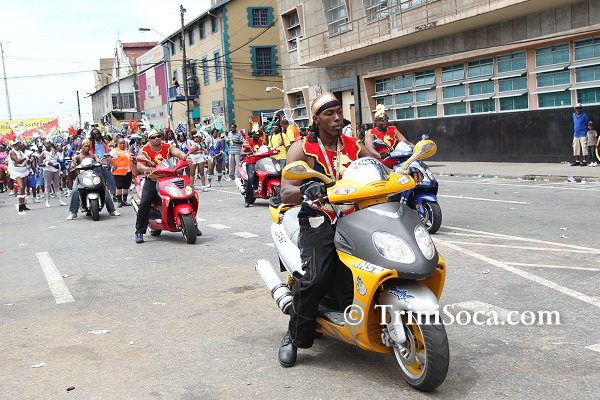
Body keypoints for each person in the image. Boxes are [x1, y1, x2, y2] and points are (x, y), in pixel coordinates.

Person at [277, 92, 421, 368]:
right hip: (319, 218)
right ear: (316, 119)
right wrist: (308, 188)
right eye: (329, 114)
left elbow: (381, 170)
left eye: (339, 112)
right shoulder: (301, 149)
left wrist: (406, 171)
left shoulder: (355, 145)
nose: (337, 118)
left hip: (357, 216)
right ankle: (293, 336)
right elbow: (286, 192)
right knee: (316, 278)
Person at [133, 130, 193, 243]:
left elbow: (179, 153)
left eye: (158, 136)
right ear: (148, 139)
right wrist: (147, 169)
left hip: (170, 178)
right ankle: (139, 231)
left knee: (187, 195)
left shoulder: (168, 147)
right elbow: (140, 165)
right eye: (153, 137)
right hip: (153, 179)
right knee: (145, 201)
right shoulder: (144, 150)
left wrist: (186, 158)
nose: (156, 138)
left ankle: (193, 225)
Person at [66, 139, 120, 220]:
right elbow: (73, 162)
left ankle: (112, 210)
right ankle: (73, 212)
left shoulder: (93, 156)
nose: (87, 148)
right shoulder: (77, 156)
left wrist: (101, 163)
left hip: (93, 175)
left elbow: (98, 160)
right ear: (82, 147)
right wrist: (73, 166)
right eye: (85, 146)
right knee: (75, 191)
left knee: (104, 190)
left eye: (88, 146)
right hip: (82, 177)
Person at [89, 128, 117, 196]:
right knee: (98, 180)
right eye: (94, 134)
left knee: (110, 179)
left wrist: (109, 161)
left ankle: (114, 194)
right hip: (96, 164)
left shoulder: (104, 141)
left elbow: (107, 151)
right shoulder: (91, 143)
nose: (96, 135)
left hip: (105, 163)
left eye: (97, 133)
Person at [39, 141, 66, 207]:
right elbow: (39, 164)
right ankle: (47, 201)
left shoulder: (54, 151)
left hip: (55, 169)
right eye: (46, 144)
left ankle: (60, 200)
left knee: (56, 184)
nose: (47, 145)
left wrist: (56, 165)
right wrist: (47, 163)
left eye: (49, 143)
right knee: (47, 185)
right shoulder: (43, 154)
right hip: (47, 170)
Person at [242, 130, 265, 207]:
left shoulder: (262, 142)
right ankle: (248, 200)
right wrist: (249, 153)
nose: (258, 137)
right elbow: (242, 152)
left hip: (262, 161)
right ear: (253, 135)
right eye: (256, 135)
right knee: (251, 178)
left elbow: (268, 149)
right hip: (251, 162)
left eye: (259, 135)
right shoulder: (247, 142)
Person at [110, 137, 133, 207]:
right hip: (118, 172)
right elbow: (108, 158)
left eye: (123, 143)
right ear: (117, 144)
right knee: (119, 186)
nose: (122, 145)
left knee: (126, 186)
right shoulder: (115, 151)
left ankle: (124, 201)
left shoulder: (127, 151)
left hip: (128, 171)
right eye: (121, 143)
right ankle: (119, 201)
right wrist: (113, 165)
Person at [8, 140, 31, 212]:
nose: (19, 146)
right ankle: (20, 205)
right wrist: (26, 157)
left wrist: (29, 158)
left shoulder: (20, 152)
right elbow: (17, 161)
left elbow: (27, 162)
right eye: (17, 145)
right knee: (20, 187)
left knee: (23, 187)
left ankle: (23, 204)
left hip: (23, 170)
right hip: (17, 171)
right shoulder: (12, 152)